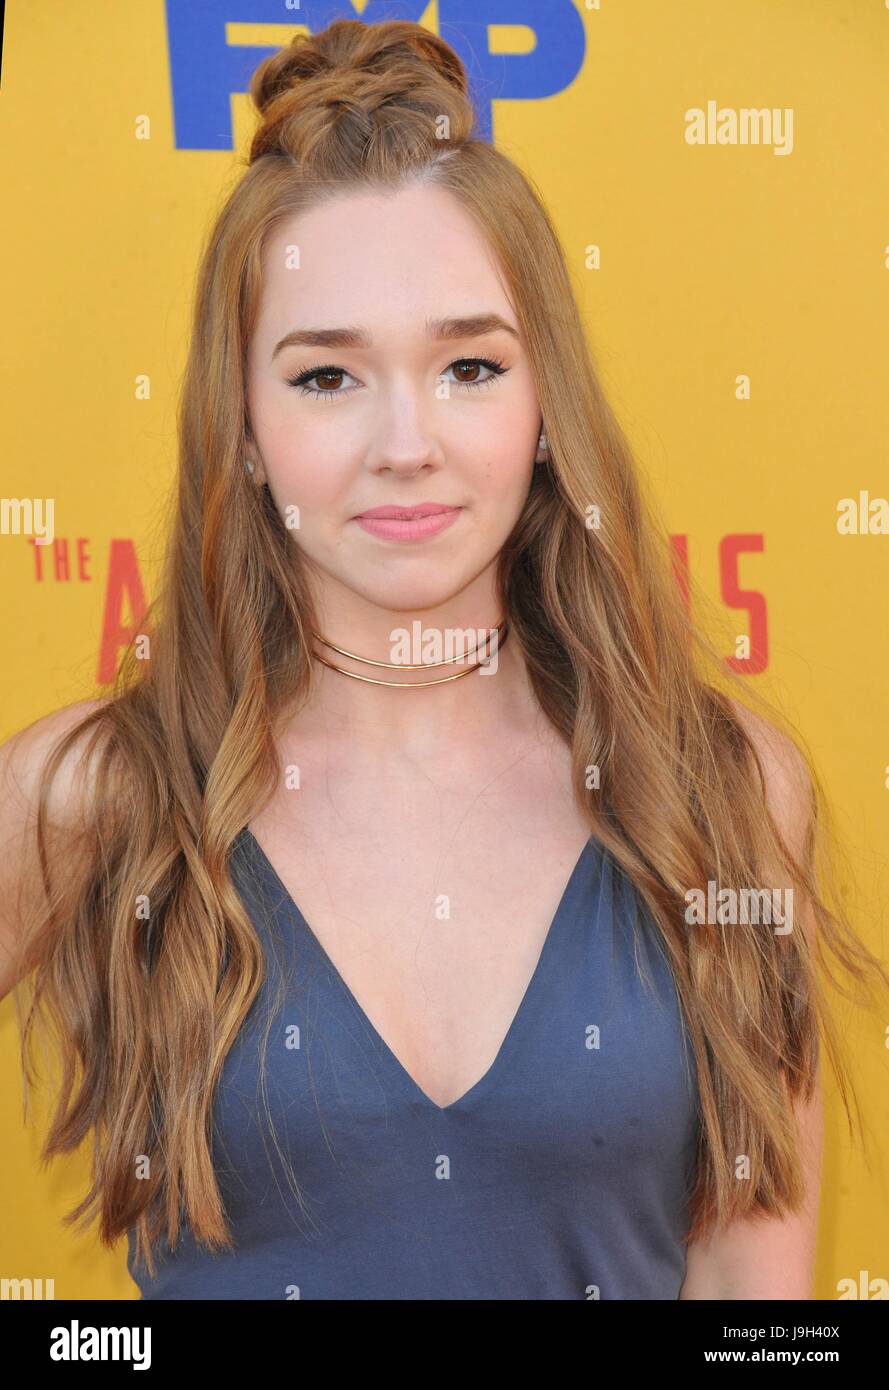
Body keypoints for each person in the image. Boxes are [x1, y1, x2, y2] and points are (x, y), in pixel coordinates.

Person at [1, 17, 885, 1301]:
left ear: (544, 405)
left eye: (470, 365)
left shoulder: (724, 792)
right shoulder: (91, 794)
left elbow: (754, 1285)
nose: (406, 443)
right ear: (240, 425)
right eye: (326, 377)